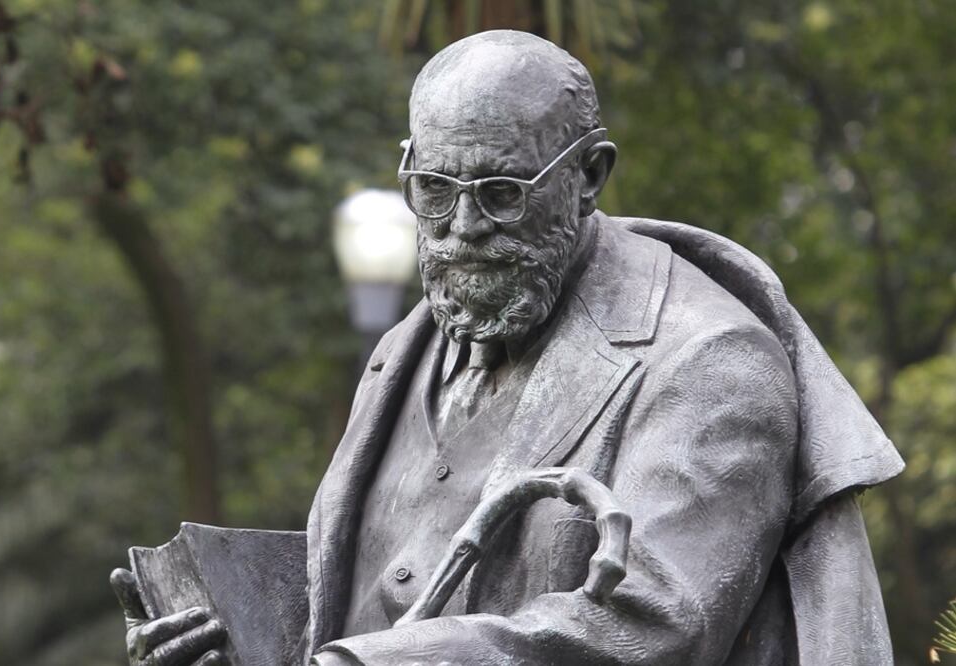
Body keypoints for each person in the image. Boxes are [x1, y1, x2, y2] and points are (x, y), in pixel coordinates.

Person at [112, 30, 903, 665]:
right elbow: (362, 600)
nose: (461, 231)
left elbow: (657, 626)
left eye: (501, 195)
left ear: (589, 176)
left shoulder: (710, 360)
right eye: (433, 190)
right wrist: (232, 634)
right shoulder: (402, 349)